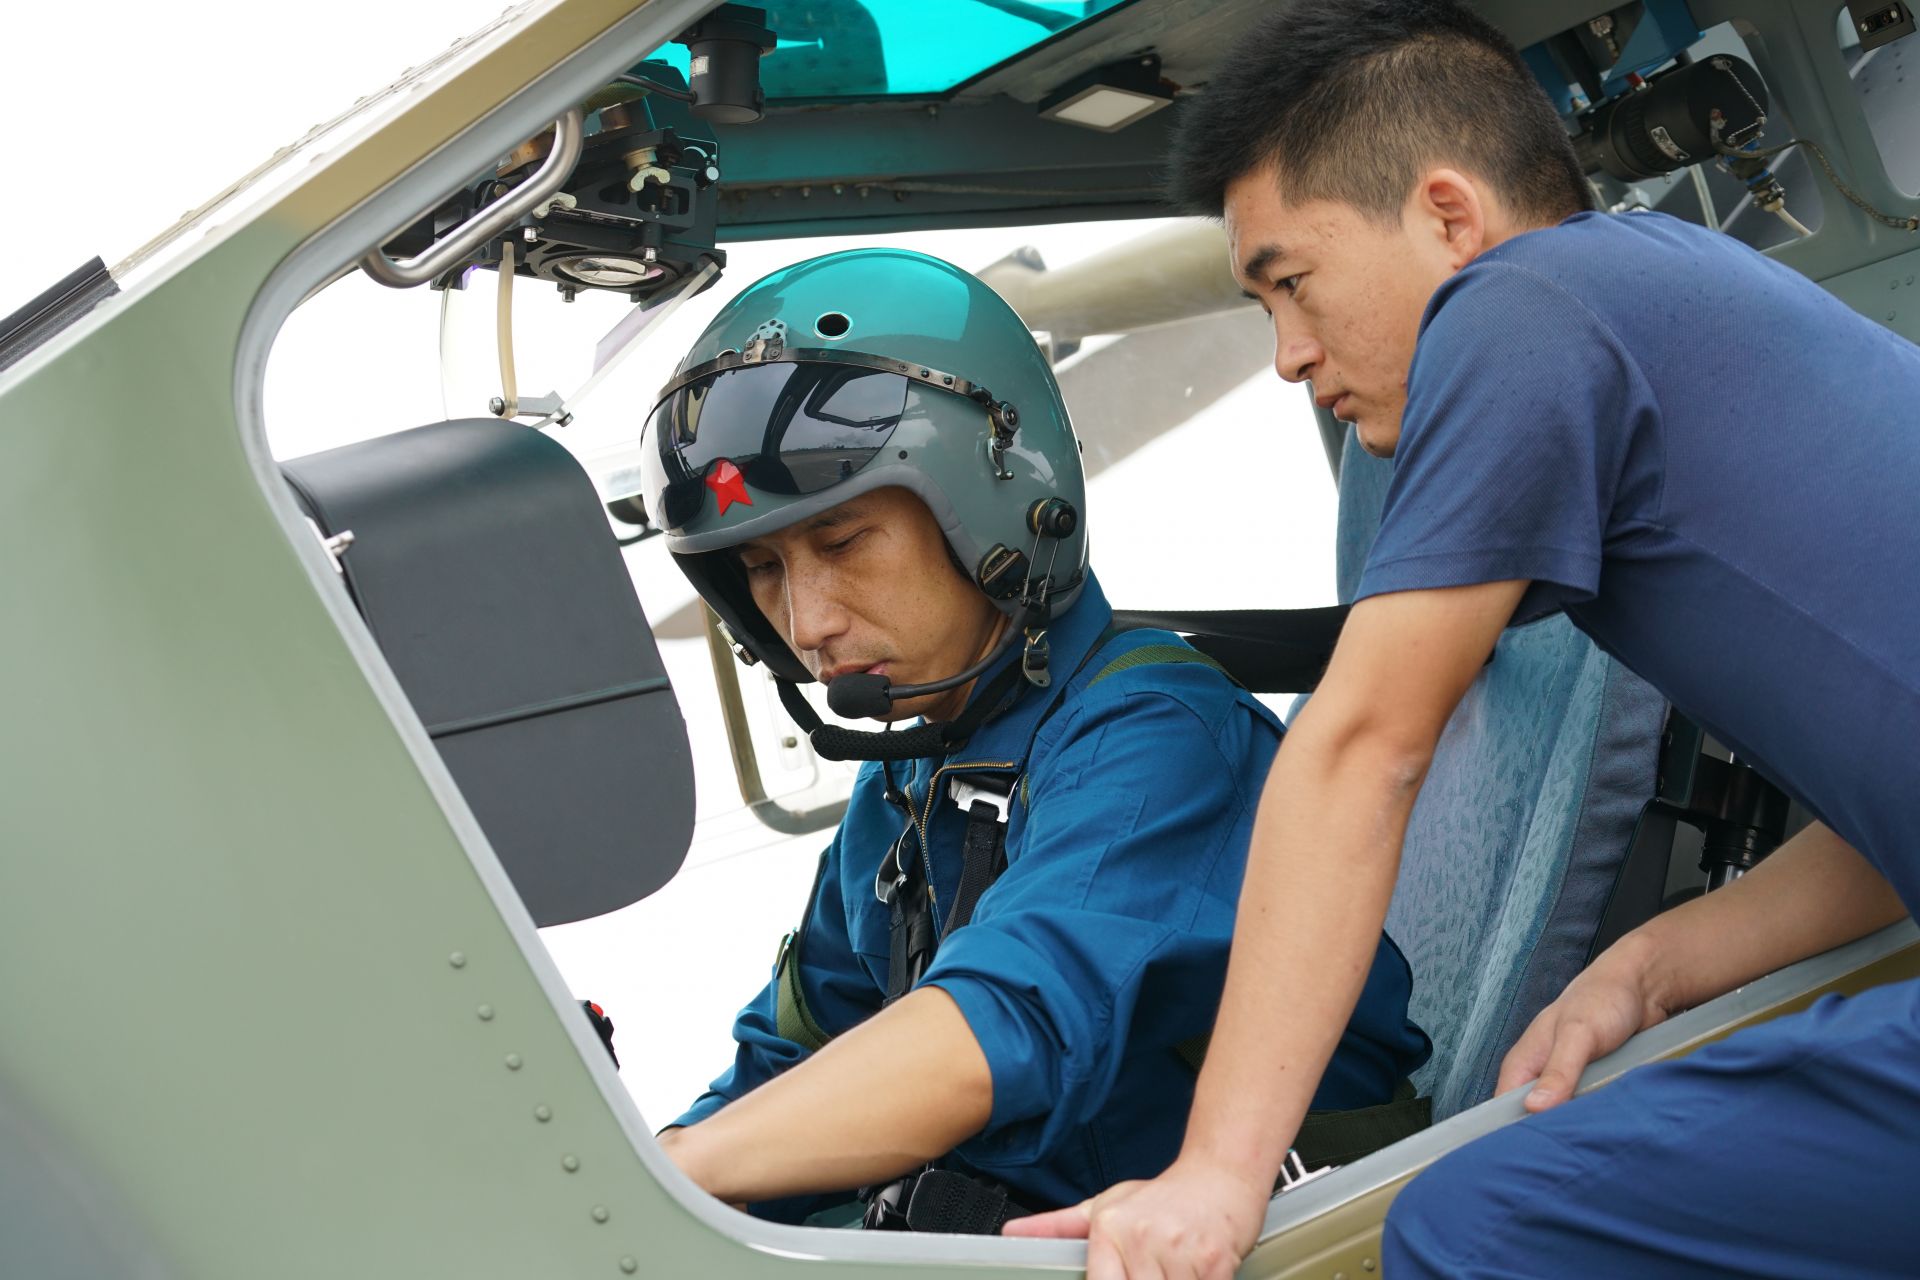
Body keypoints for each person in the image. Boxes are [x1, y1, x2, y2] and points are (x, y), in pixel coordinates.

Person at [1004, 2, 1920, 1275]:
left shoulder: (1524, 306)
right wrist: (1654, 966)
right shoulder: (1650, 290)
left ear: (1447, 216)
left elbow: (1367, 744)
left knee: (1476, 1225)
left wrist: (1214, 1177)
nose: (1288, 355)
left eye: (1292, 282)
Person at [638, 248, 1431, 1230]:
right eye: (761, 569)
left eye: (842, 545)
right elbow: (790, 1051)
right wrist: (633, 1178)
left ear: (993, 505)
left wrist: (683, 1170)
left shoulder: (1151, 734)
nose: (808, 622)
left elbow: (1005, 1024)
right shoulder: (905, 783)